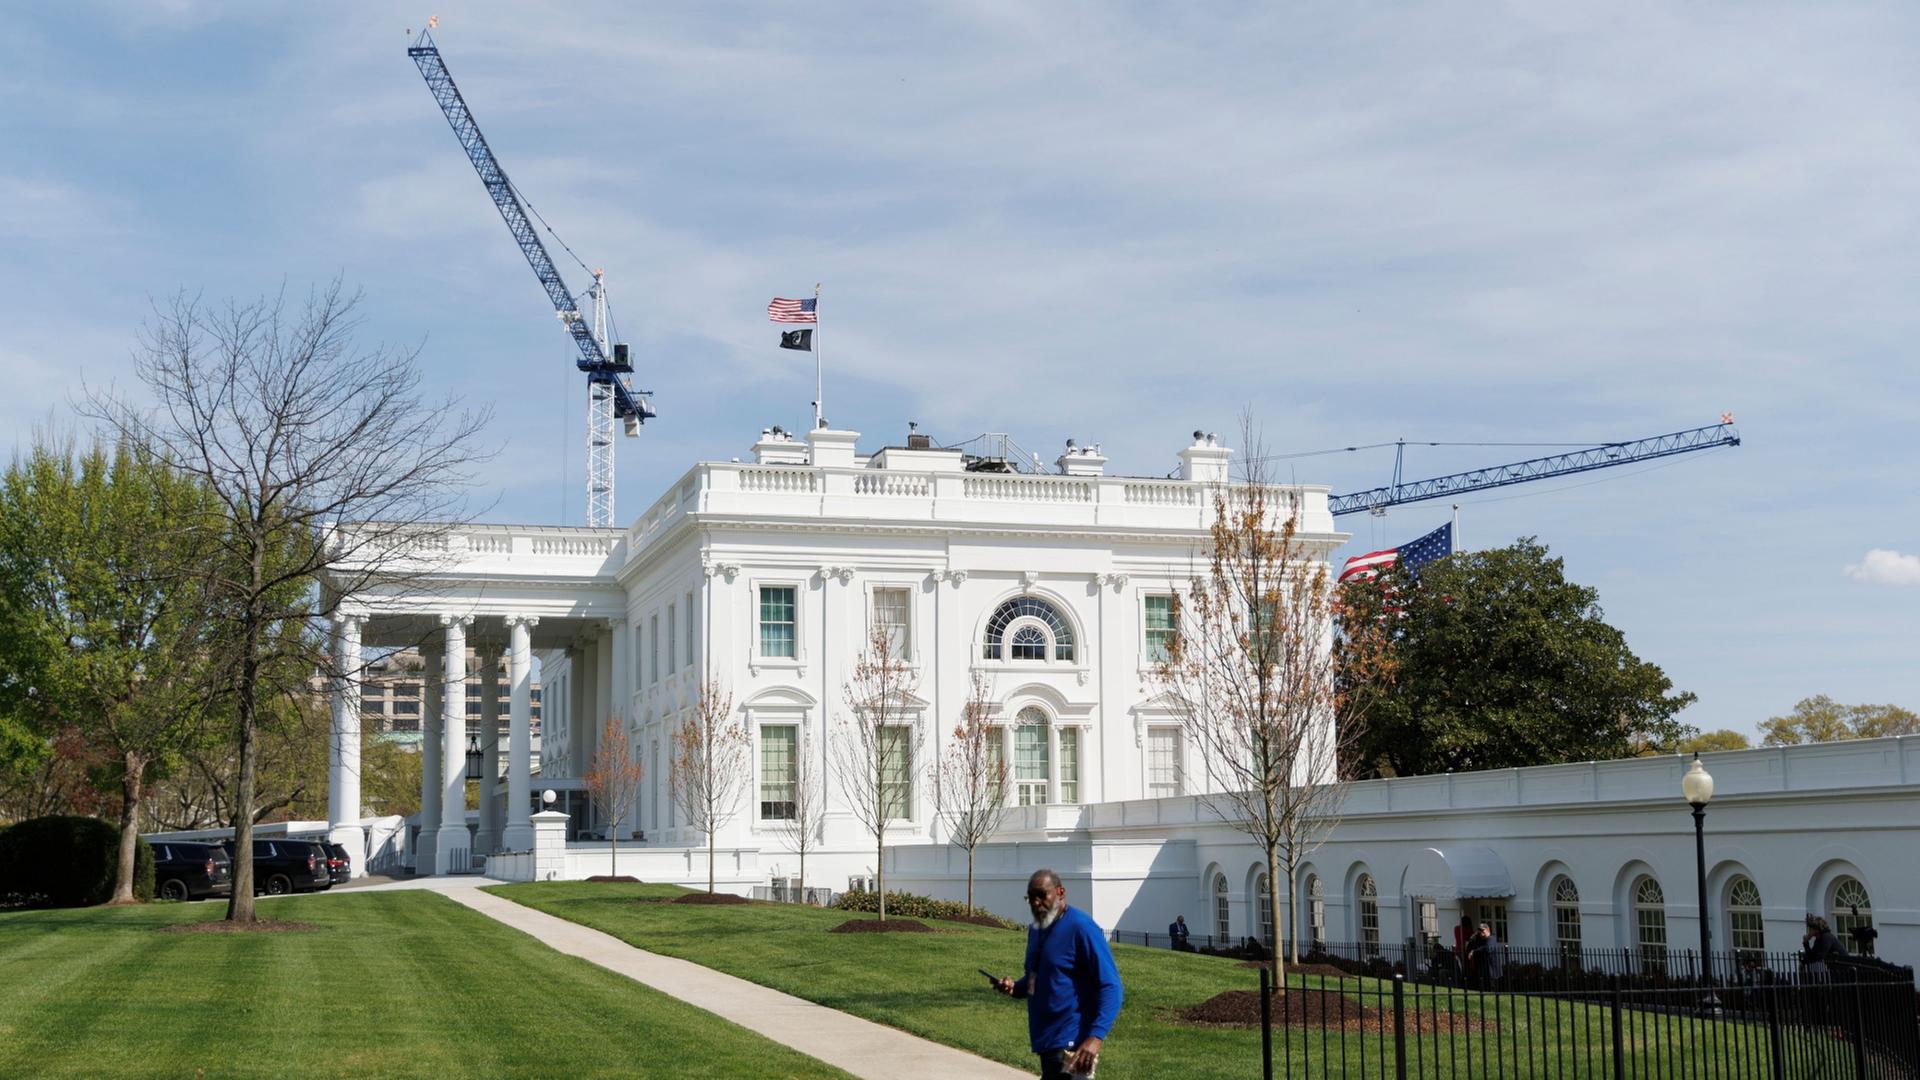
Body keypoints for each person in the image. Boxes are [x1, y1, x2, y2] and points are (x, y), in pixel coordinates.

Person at [993, 869, 1124, 1080]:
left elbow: (1111, 986)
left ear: (1060, 892)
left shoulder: (1081, 927)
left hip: (1071, 1047)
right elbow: (1038, 977)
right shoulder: (1036, 930)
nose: (1036, 903)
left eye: (1042, 895)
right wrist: (1015, 987)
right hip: (1047, 1043)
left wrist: (1095, 1037)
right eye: (1031, 898)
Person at [1801, 914, 1843, 980]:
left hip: (1843, 968)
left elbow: (1821, 956)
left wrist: (1807, 960)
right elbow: (1812, 956)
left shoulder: (1827, 937)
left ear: (1817, 929)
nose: (1809, 931)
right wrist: (1806, 943)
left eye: (1810, 929)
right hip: (1835, 969)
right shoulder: (1818, 940)